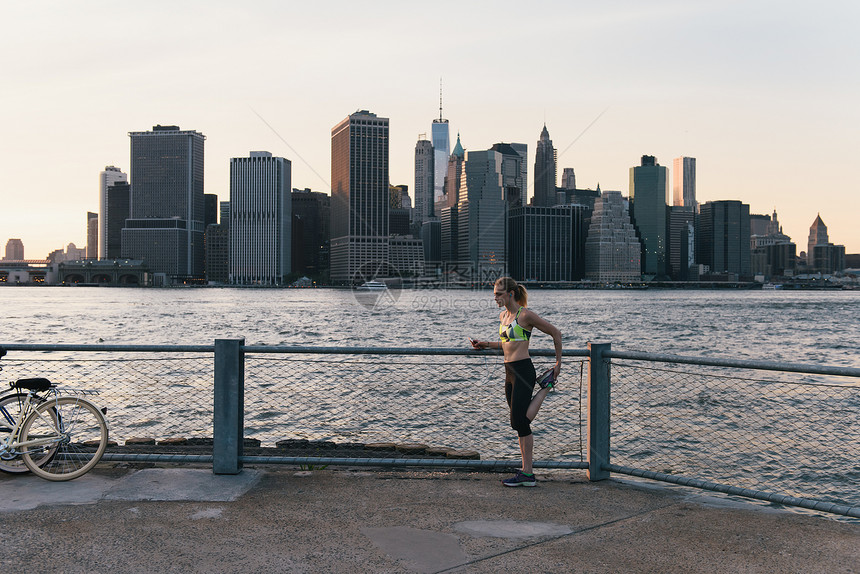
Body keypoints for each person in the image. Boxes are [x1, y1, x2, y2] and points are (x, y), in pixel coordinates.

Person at [470, 277, 562, 487]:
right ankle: (526, 473)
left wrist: (558, 363)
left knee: (519, 422)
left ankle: (546, 387)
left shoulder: (525, 315)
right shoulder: (503, 316)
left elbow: (556, 333)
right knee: (521, 425)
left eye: (498, 294)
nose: (495, 298)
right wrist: (484, 344)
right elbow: (506, 344)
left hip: (523, 370)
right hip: (509, 372)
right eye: (494, 294)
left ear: (510, 294)